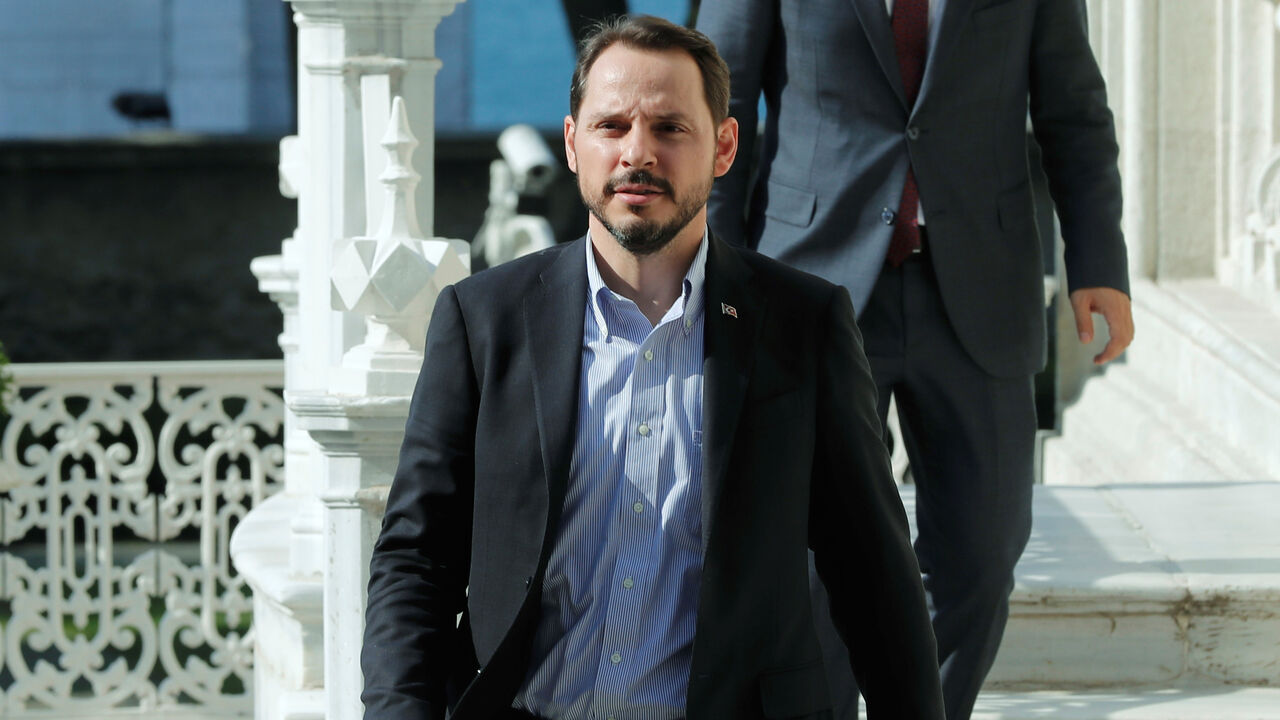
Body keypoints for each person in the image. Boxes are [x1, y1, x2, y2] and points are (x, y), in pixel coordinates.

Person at [360, 14, 945, 720]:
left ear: (724, 147)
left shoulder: (803, 326)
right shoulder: (483, 322)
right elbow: (415, 563)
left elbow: (873, 576)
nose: (638, 153)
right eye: (611, 127)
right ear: (573, 144)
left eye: (671, 128)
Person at [696, 1, 1136, 719]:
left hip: (979, 291)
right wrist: (715, 272)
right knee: (813, 559)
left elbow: (1074, 108)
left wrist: (1098, 262)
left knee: (983, 558)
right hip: (809, 283)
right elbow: (718, 104)